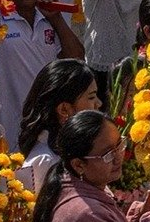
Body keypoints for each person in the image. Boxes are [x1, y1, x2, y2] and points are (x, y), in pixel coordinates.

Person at [0, 0, 85, 150]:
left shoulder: (50, 16)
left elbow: (76, 59)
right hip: (7, 130)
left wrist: (57, 20)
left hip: (46, 131)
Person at [17, 57, 102, 190]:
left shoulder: (72, 148)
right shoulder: (44, 161)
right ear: (64, 109)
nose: (99, 104)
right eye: (91, 97)